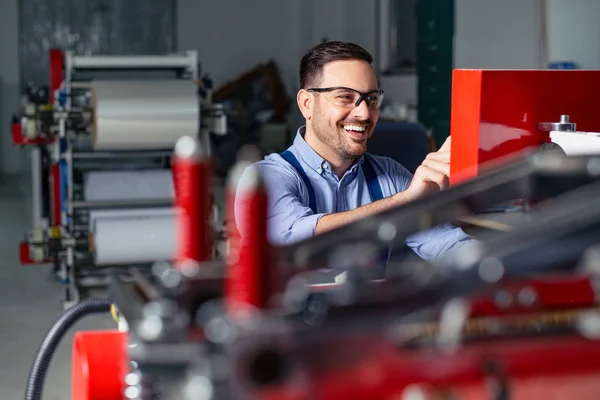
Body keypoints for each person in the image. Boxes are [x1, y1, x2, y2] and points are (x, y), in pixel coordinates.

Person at [234, 41, 473, 265]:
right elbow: (295, 240)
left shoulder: (390, 177)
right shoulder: (263, 180)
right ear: (307, 103)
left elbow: (449, 246)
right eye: (345, 97)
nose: (364, 113)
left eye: (371, 99)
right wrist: (404, 202)